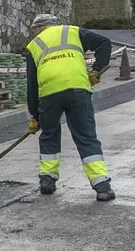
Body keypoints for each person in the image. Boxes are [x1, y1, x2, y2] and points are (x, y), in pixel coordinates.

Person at [24, 13, 116, 201]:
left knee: (49, 134)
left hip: (50, 93)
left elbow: (32, 85)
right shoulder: (72, 32)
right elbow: (104, 43)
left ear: (37, 29)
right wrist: (97, 70)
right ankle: (102, 186)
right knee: (86, 136)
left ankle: (47, 181)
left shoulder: (34, 45)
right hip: (78, 89)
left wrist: (36, 116)